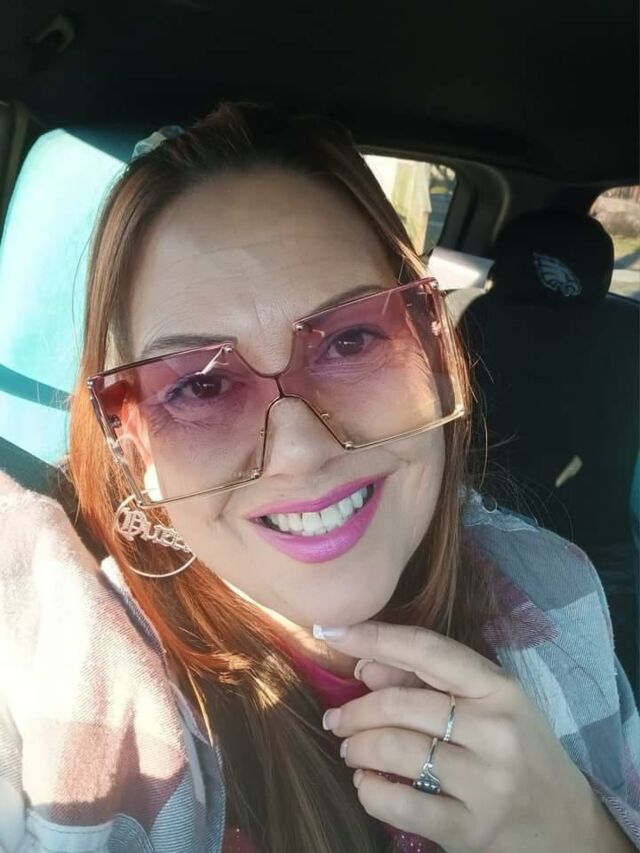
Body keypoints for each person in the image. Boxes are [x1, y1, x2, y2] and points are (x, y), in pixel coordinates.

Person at [0, 102, 638, 853]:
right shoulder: (68, 693)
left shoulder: (552, 585)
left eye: (351, 340)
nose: (300, 451)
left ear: (435, 355)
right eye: (201, 386)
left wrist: (581, 830)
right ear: (134, 448)